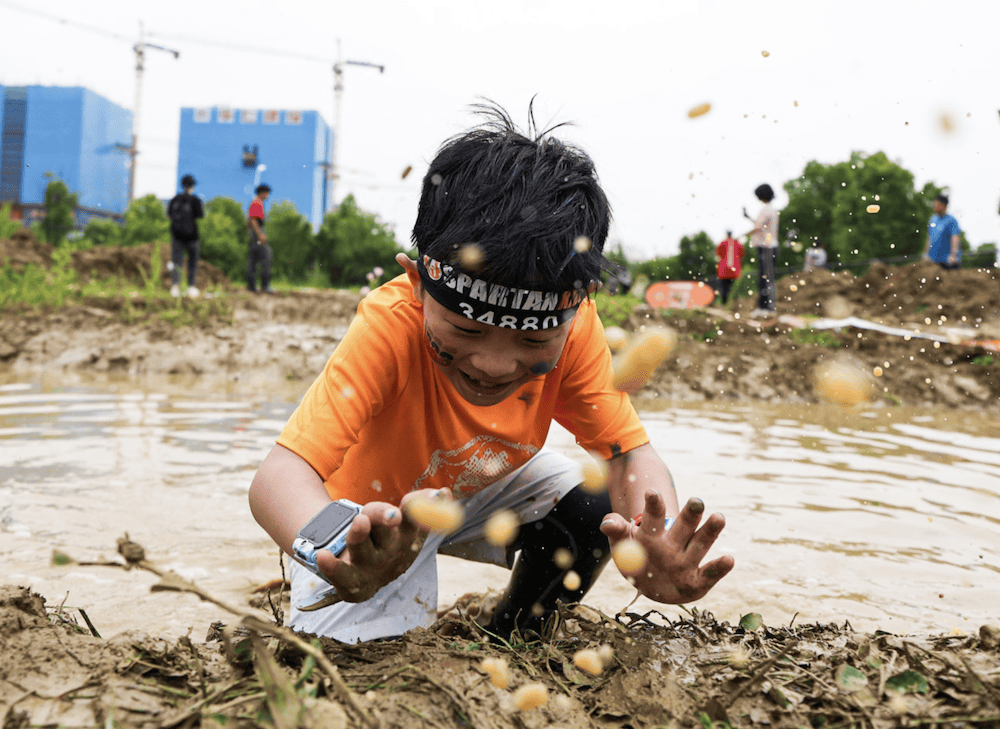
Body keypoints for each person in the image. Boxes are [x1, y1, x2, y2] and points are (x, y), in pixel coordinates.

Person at [248, 104, 734, 644]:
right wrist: (335, 547)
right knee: (355, 665)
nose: (495, 364)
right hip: (376, 522)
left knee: (596, 507)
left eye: (532, 340)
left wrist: (657, 540)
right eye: (467, 330)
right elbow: (278, 478)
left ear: (576, 309)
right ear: (417, 283)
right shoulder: (390, 325)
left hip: (478, 486)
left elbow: (626, 455)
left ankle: (513, 636)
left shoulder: (577, 328)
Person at [743, 184, 780, 318]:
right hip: (767, 247)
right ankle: (763, 306)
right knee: (763, 278)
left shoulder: (767, 210)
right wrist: (749, 218)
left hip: (767, 248)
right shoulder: (770, 210)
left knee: (767, 278)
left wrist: (743, 235)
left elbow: (758, 228)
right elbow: (761, 226)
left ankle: (769, 308)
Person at [166, 174, 205, 298]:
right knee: (192, 261)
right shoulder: (195, 200)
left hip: (177, 236)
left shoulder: (174, 199)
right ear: (192, 186)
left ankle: (175, 287)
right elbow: (201, 216)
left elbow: (169, 215)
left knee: (177, 261)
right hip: (192, 236)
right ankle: (191, 286)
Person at [923, 193, 962, 270]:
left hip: (947, 263)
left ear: (943, 205)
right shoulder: (932, 220)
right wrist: (926, 254)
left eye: (936, 204)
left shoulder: (951, 220)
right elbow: (930, 238)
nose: (934, 206)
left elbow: (955, 238)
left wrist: (953, 255)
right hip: (933, 262)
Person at [247, 184, 272, 293]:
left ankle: (251, 286)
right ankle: (264, 286)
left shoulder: (254, 203)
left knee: (253, 260)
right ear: (262, 193)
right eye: (267, 193)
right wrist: (260, 235)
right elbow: (253, 220)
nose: (267, 195)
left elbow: (248, 221)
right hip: (256, 235)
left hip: (253, 235)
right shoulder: (257, 202)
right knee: (267, 256)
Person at [715, 230, 743, 305]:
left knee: (724, 288)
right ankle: (733, 303)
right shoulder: (737, 243)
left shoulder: (722, 243)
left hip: (723, 269)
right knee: (733, 287)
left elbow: (718, 254)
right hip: (734, 269)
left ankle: (724, 303)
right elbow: (741, 254)